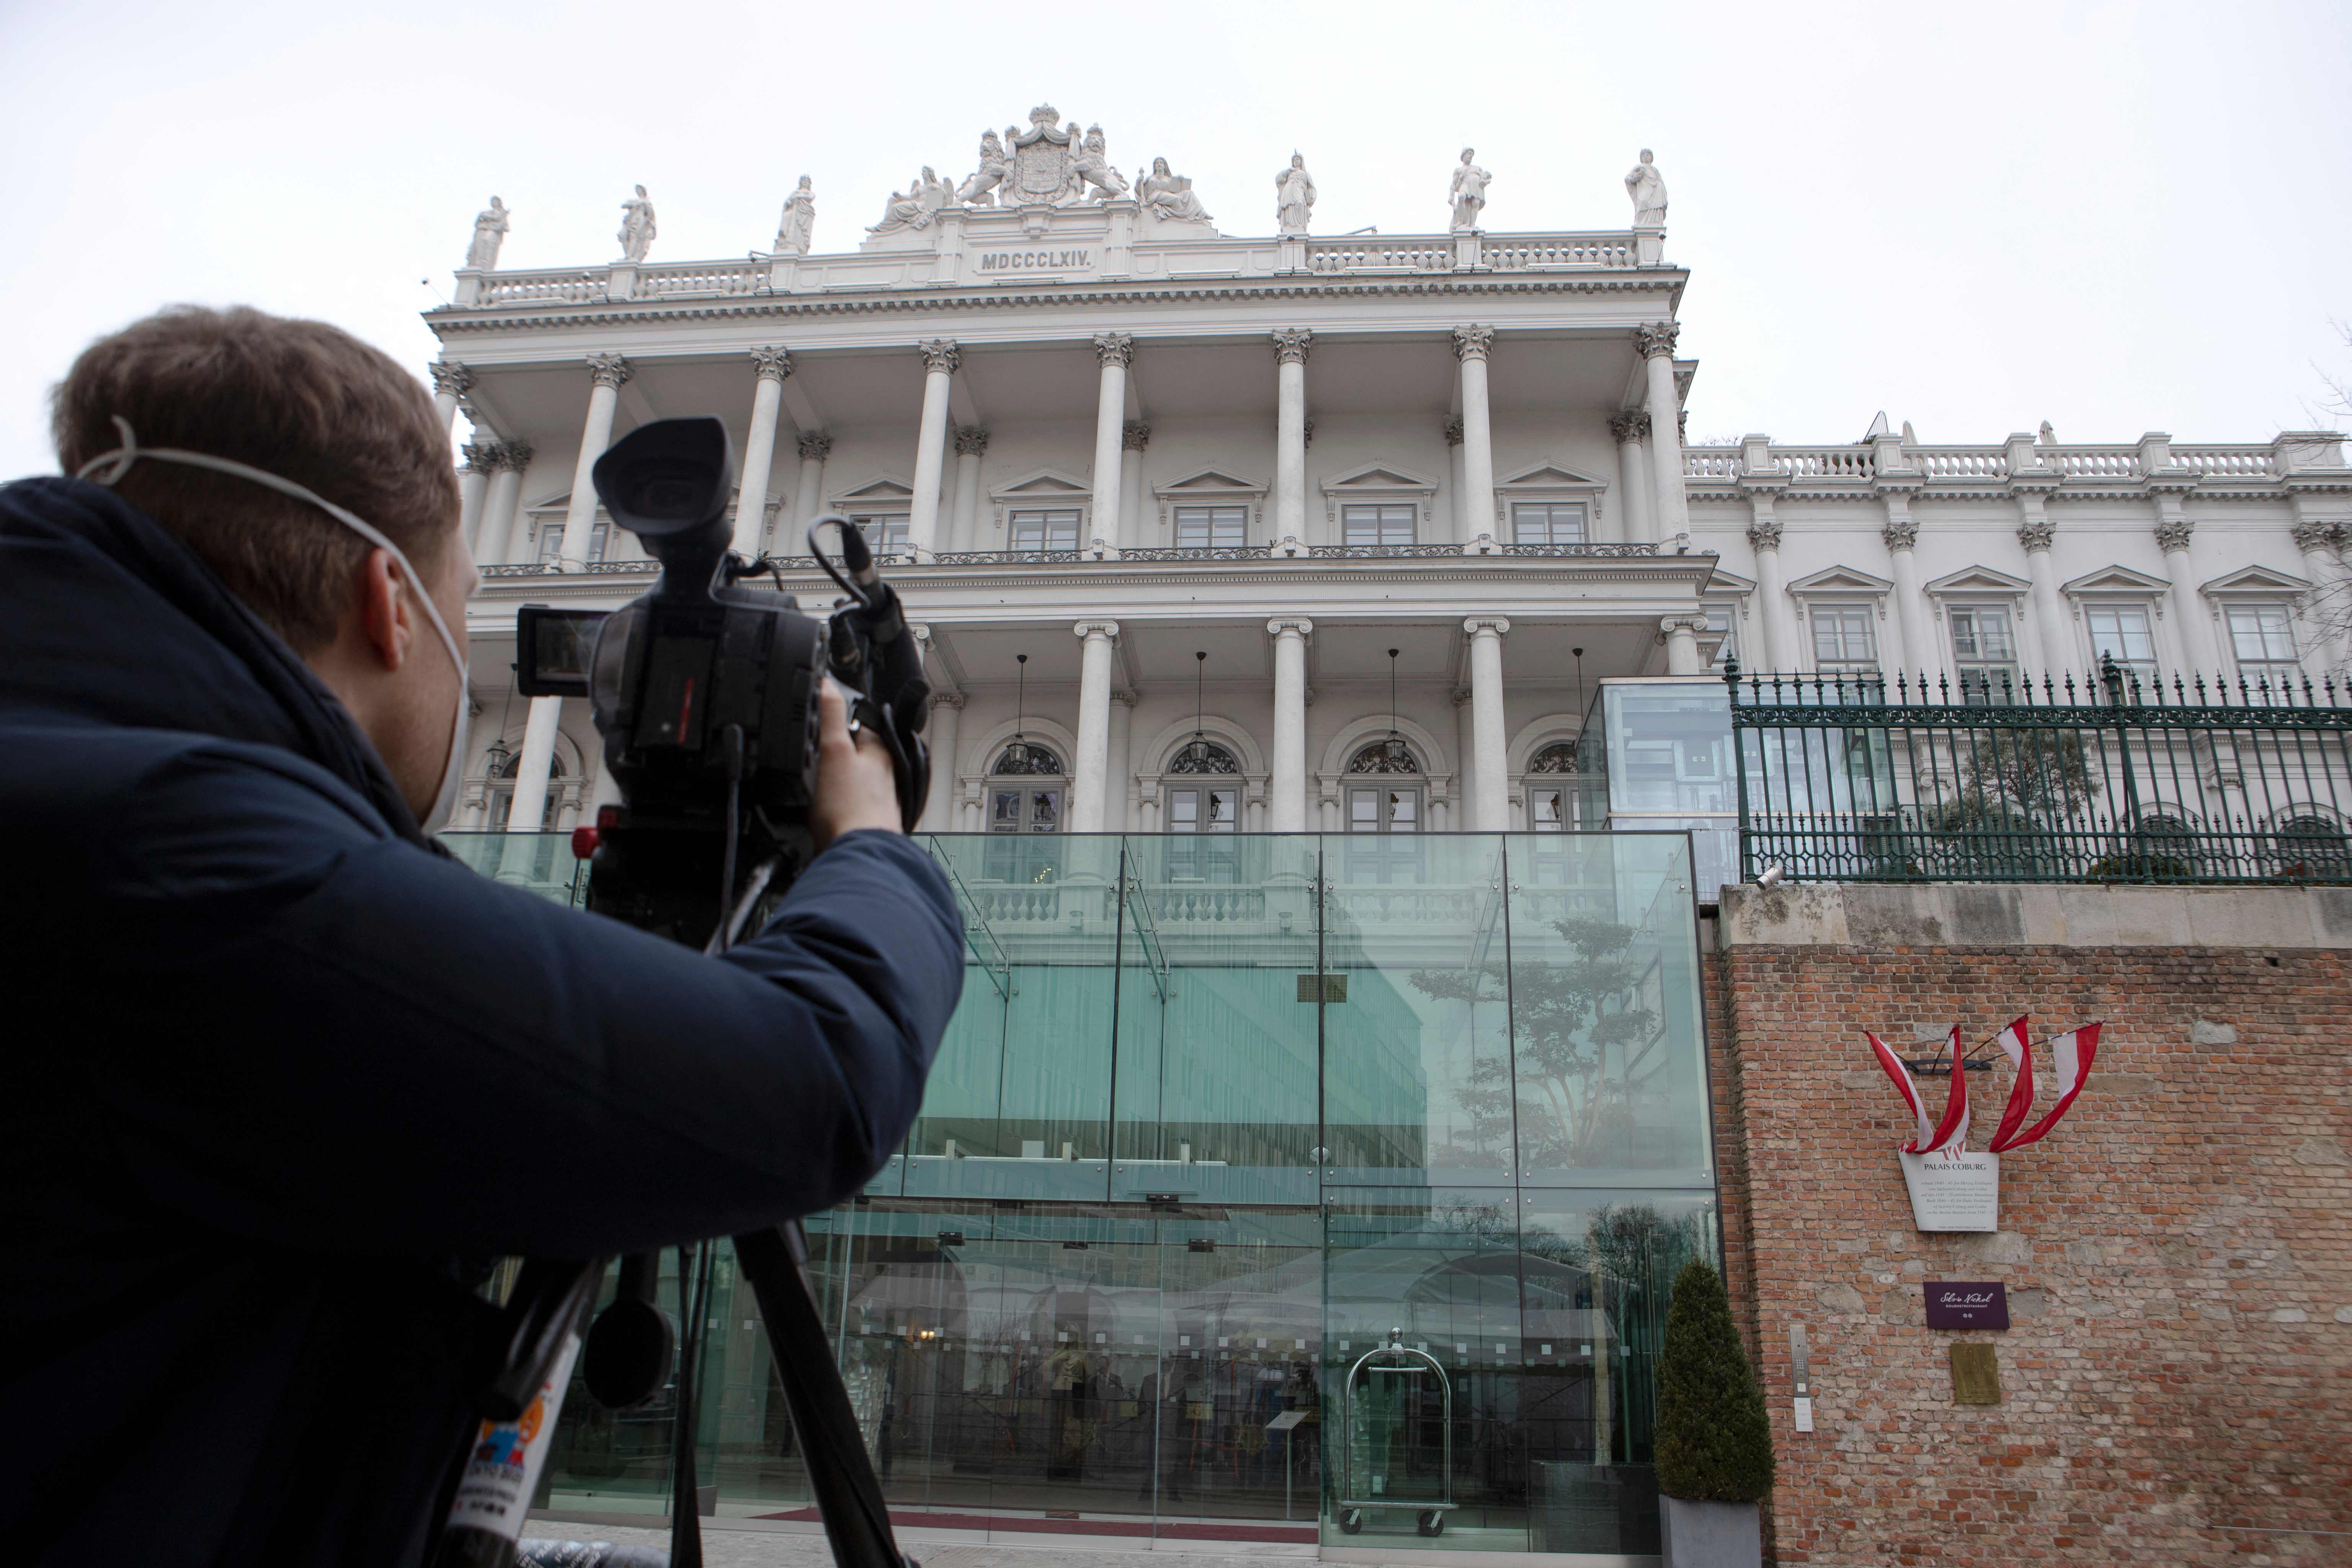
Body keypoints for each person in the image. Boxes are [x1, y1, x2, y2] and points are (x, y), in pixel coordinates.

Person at [0, 305, 965, 1566]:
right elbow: (817, 1076)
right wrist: (877, 841)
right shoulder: (192, 861)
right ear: (387, 606)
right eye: (465, 613)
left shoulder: (89, 783)